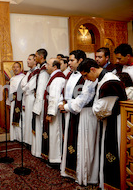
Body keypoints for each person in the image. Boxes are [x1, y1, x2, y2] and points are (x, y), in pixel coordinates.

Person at [77, 58, 127, 189]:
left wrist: (94, 108)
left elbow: (99, 109)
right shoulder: (102, 79)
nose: (86, 79)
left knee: (112, 154)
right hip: (107, 122)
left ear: (92, 69)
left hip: (115, 124)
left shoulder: (110, 82)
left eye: (86, 75)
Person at [59, 50, 99, 186]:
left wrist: (67, 106)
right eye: (68, 60)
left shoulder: (88, 77)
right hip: (71, 110)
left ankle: (84, 175)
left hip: (84, 113)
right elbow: (66, 93)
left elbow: (84, 97)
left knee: (83, 145)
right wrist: (63, 103)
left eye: (71, 60)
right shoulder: (70, 75)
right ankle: (71, 170)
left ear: (80, 60)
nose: (68, 63)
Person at [41, 58, 65, 165]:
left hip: (55, 112)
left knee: (55, 134)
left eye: (48, 64)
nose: (46, 66)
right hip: (54, 109)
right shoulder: (55, 77)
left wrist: (50, 113)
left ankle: (56, 159)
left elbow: (54, 97)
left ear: (55, 67)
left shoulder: (57, 79)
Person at [31, 48, 49, 158]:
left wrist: (37, 103)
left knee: (41, 126)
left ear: (41, 56)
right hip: (38, 100)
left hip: (42, 101)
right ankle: (37, 150)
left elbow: (42, 87)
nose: (35, 58)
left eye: (36, 56)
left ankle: (41, 151)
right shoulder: (40, 68)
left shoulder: (45, 69)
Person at [20, 54, 39, 146]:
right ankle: (27, 140)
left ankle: (32, 141)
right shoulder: (28, 73)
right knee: (27, 118)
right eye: (27, 59)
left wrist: (25, 87)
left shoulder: (37, 72)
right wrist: (25, 87)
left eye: (29, 59)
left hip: (32, 98)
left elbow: (31, 86)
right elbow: (22, 84)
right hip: (26, 97)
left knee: (31, 118)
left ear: (35, 61)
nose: (27, 61)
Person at [6, 62, 25, 142]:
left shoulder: (23, 77)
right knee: (12, 118)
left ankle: (21, 138)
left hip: (20, 101)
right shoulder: (12, 78)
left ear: (20, 68)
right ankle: (14, 137)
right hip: (13, 101)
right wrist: (8, 101)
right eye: (14, 67)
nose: (15, 69)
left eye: (17, 67)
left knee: (20, 119)